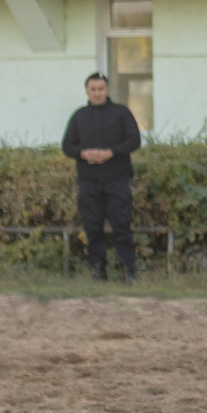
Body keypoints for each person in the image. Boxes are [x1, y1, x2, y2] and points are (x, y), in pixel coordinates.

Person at [62, 72, 142, 280]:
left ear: (107, 90)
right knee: (93, 227)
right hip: (89, 182)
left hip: (117, 180)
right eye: (93, 89)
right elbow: (67, 146)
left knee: (121, 226)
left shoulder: (121, 112)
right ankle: (98, 271)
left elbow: (134, 141)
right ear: (87, 91)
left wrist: (110, 153)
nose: (97, 93)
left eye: (101, 89)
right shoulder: (79, 116)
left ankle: (129, 271)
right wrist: (82, 153)